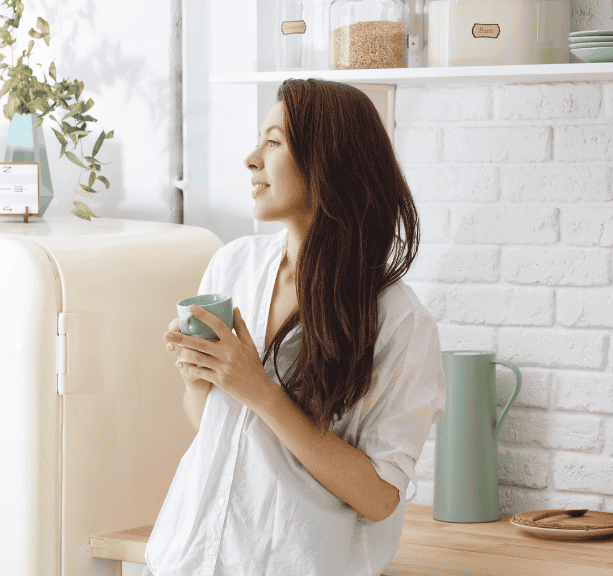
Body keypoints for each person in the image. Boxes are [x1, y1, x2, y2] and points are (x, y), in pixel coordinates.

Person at [144, 78, 446, 576]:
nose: (251, 159)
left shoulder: (399, 321)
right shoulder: (231, 266)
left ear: (328, 162)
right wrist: (198, 376)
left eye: (274, 141)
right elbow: (218, 427)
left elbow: (380, 496)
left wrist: (259, 390)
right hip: (185, 556)